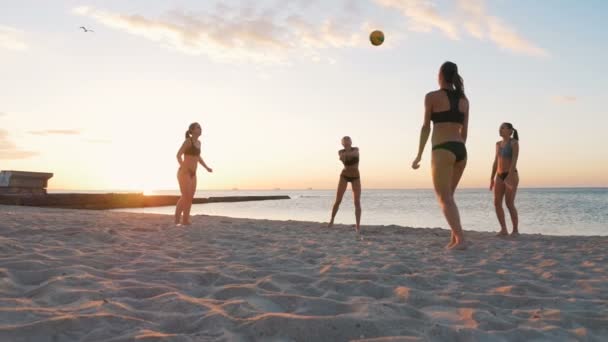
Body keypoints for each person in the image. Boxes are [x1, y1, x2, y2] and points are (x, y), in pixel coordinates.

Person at [412, 61, 469, 250]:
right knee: (449, 196)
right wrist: (458, 153)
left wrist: (419, 154)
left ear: (441, 75)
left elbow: (425, 127)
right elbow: (465, 133)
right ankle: (454, 238)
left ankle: (460, 239)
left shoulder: (431, 97)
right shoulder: (464, 100)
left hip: (442, 149)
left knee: (444, 198)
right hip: (461, 150)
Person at [175, 122, 213, 225]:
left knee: (190, 197)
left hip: (193, 174)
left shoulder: (199, 143)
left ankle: (185, 220)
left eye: (200, 127)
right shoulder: (188, 141)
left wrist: (206, 167)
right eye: (198, 127)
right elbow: (178, 155)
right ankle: (176, 220)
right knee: (185, 196)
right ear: (191, 131)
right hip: (184, 173)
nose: (200, 129)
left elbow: (198, 158)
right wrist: (184, 167)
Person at [490, 123, 520, 236]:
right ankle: (503, 229)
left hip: (511, 175)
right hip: (499, 175)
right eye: (500, 128)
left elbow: (514, 160)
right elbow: (495, 162)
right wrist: (491, 178)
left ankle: (515, 230)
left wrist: (509, 176)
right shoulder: (498, 144)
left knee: (509, 203)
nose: (500, 129)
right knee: (497, 203)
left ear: (510, 130)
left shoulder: (514, 143)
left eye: (503, 128)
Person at [328, 136, 362, 234]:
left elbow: (353, 159)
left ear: (351, 142)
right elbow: (346, 161)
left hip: (356, 176)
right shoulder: (340, 152)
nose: (347, 141)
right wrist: (348, 155)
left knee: (357, 202)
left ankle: (358, 226)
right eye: (345, 140)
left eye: (348, 140)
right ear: (342, 143)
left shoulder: (356, 150)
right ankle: (332, 220)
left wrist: (348, 154)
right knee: (338, 200)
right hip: (344, 176)